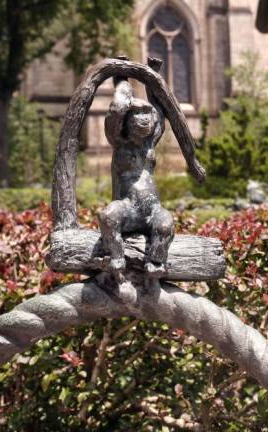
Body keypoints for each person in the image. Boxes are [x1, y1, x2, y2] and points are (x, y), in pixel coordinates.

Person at [98, 58, 174, 278]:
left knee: (166, 224)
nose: (144, 120)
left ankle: (156, 262)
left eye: (145, 114)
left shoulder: (150, 144)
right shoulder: (119, 142)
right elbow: (116, 108)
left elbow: (160, 111)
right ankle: (117, 256)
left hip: (152, 210)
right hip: (128, 208)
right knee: (107, 216)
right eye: (137, 114)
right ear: (127, 120)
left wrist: (152, 77)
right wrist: (121, 78)